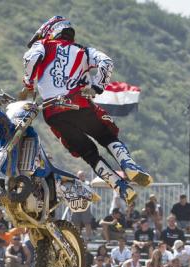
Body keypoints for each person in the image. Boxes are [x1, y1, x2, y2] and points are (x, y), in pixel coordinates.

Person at [21, 16, 150, 204]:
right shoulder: (83, 51)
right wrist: (97, 87)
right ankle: (128, 164)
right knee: (107, 136)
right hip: (78, 103)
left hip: (53, 113)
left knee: (89, 154)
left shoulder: (43, 45)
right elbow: (107, 62)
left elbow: (31, 58)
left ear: (51, 31)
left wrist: (28, 84)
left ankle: (119, 186)